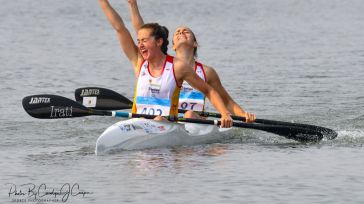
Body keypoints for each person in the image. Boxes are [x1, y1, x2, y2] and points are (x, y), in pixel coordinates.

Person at [99, 0, 233, 128]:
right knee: (152, 121)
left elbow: (209, 90)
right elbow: (119, 28)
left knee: (159, 119)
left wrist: (224, 114)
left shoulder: (177, 66)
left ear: (159, 42)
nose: (139, 45)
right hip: (139, 124)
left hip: (167, 126)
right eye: (138, 41)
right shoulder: (139, 63)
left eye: (144, 41)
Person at [127, 0, 256, 123]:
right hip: (169, 120)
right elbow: (142, 31)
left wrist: (242, 115)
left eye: (186, 31)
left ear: (195, 43)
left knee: (189, 113)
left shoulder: (207, 72)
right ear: (172, 46)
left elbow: (226, 101)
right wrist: (133, 5)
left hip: (196, 122)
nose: (181, 32)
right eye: (177, 32)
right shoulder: (170, 67)